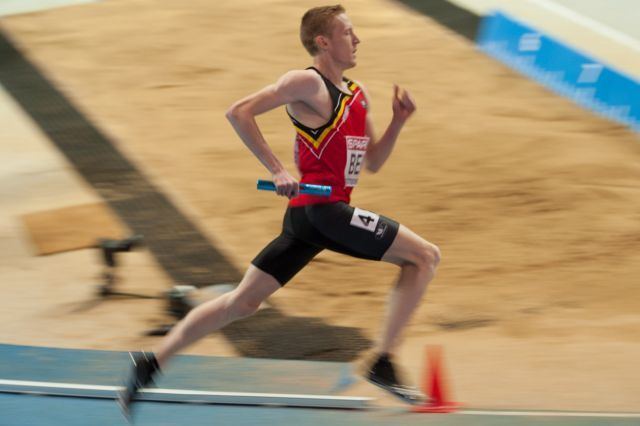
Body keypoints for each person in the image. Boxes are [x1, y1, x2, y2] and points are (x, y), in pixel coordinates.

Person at [118, 4, 440, 414]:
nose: (357, 39)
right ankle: (382, 361)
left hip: (315, 218)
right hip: (323, 213)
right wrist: (277, 169)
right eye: (347, 32)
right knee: (425, 256)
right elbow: (239, 112)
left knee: (241, 304)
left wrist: (398, 121)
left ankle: (151, 363)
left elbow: (373, 161)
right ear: (323, 42)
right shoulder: (306, 83)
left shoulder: (357, 96)